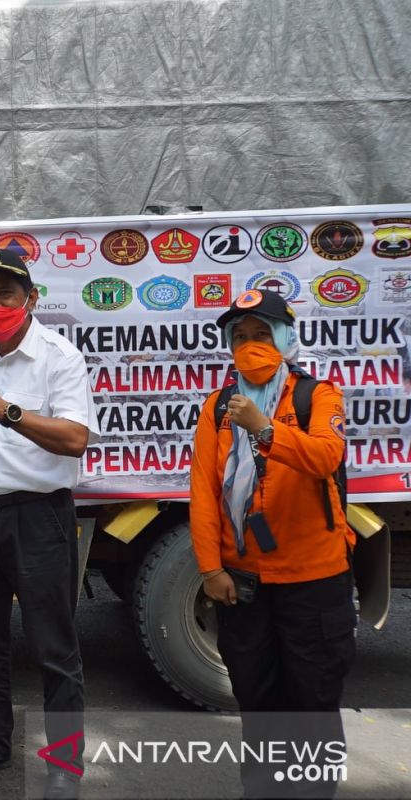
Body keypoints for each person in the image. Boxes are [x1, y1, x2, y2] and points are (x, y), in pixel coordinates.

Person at [0, 248, 97, 799]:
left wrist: (7, 411)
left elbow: (76, 438)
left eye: (6, 294)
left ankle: (64, 763)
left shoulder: (59, 357)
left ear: (30, 299)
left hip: (40, 517)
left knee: (54, 645)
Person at [189, 289, 354, 799]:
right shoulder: (218, 406)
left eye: (262, 334)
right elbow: (202, 490)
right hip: (245, 582)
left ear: (285, 337)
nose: (251, 345)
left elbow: (327, 457)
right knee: (257, 698)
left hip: (314, 578)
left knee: (313, 698)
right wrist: (211, 568)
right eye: (240, 336)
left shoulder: (315, 395)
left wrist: (264, 431)